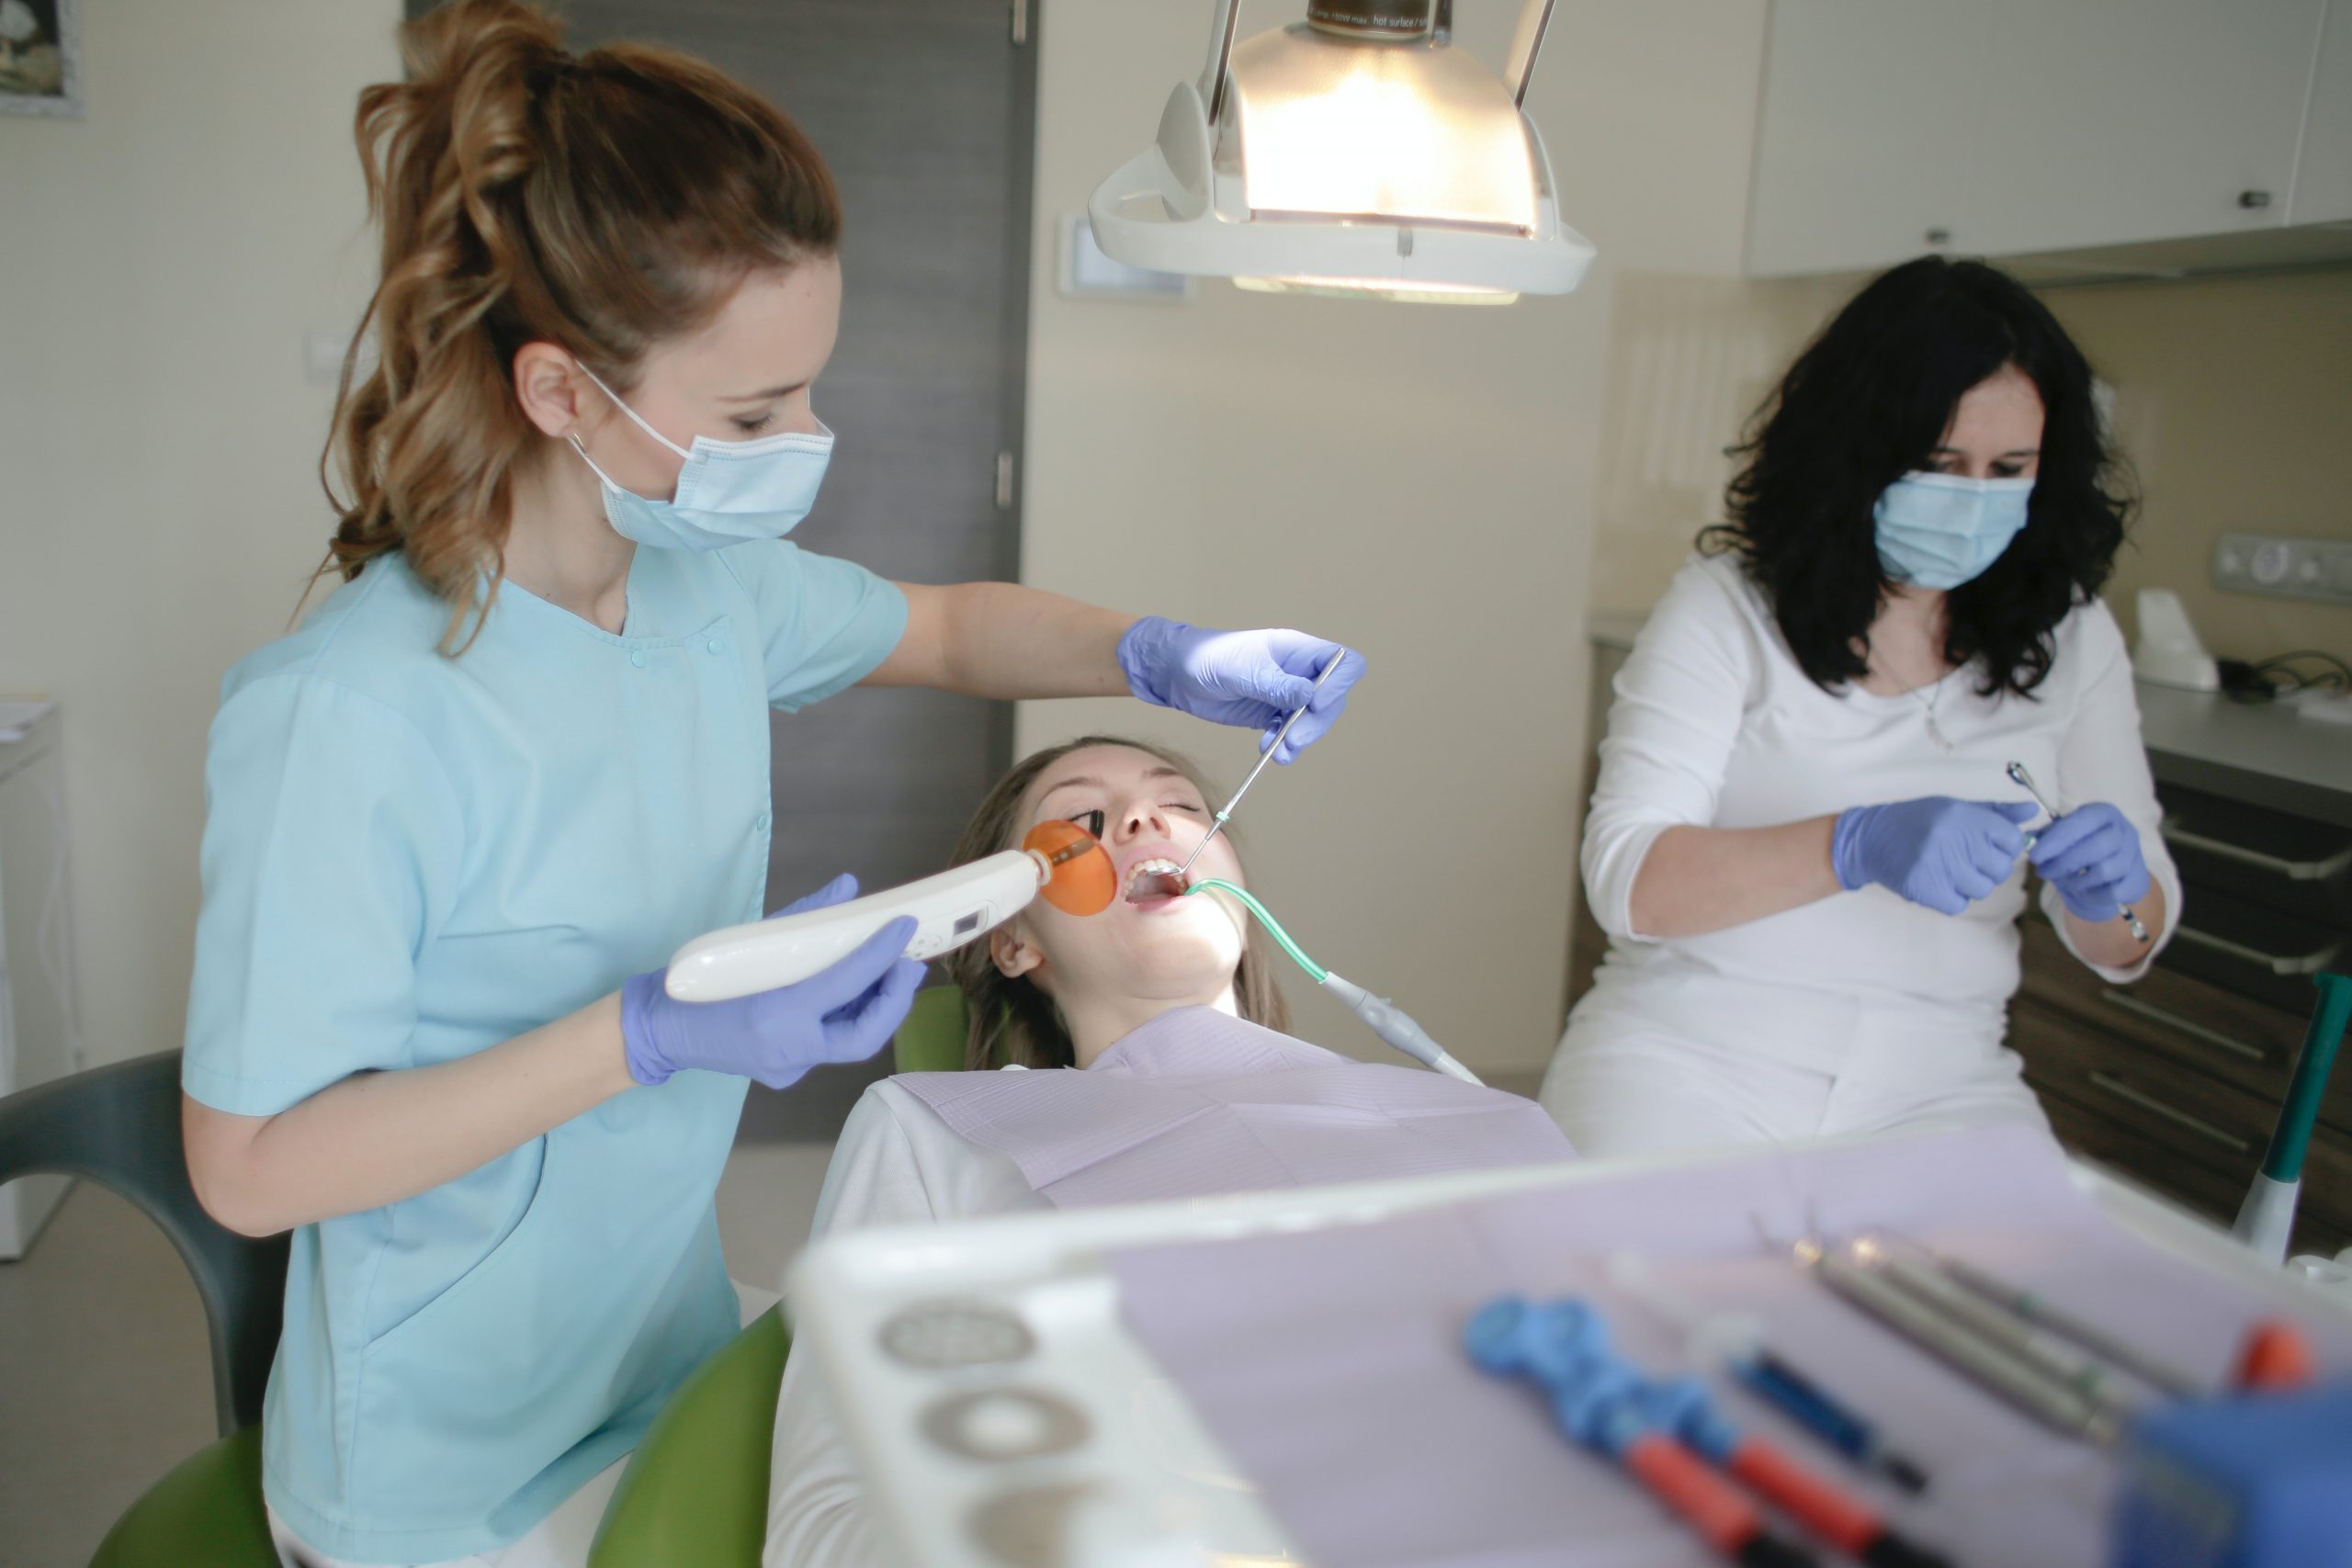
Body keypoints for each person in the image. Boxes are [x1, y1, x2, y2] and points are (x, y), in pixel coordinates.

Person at [176, 7, 1366, 1567]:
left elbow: (943, 627)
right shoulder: (350, 712)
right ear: (560, 394)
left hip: (654, 1345)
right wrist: (648, 1031)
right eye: (752, 415)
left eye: (806, 389)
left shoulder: (705, 593)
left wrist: (1157, 654)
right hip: (443, 1463)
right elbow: (252, 1167)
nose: (805, 440)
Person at [763, 738, 1574, 1564]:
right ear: (1013, 938)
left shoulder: (1468, 1114)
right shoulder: (938, 1128)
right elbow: (826, 1526)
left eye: (1183, 805)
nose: (1144, 817)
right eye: (1083, 816)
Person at [1541, 256, 2178, 1159]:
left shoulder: (2073, 638)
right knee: (1652, 1287)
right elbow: (1628, 880)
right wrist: (1854, 844)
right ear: (1856, 450)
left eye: (2009, 468)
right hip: (1689, 1059)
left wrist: (2114, 896)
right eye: (1937, 462)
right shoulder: (1727, 607)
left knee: (2019, 1296)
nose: (1972, 498)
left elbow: (2130, 942)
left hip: (1944, 1085)